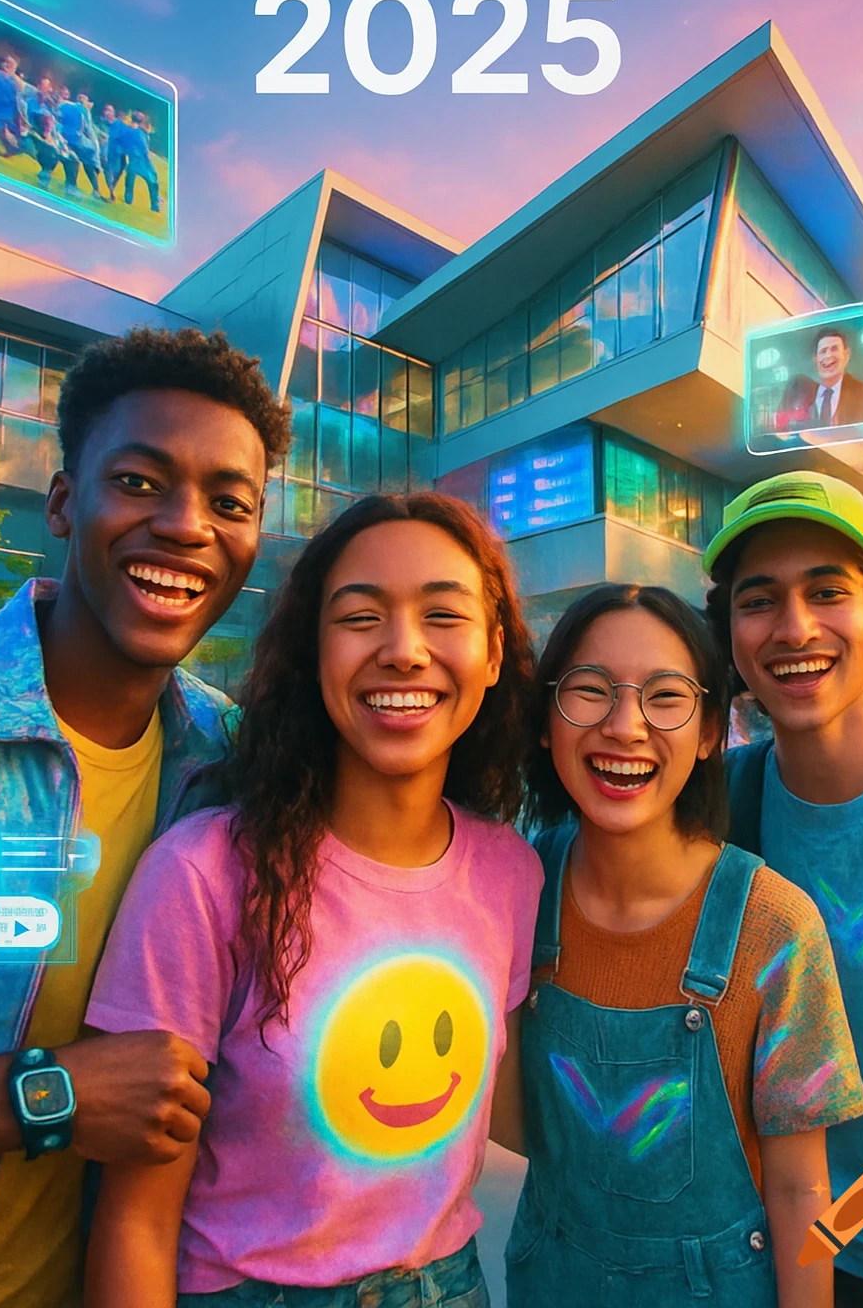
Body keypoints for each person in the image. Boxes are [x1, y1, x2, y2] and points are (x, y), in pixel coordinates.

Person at [83, 491, 543, 1308]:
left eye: (444, 616)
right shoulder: (203, 874)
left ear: (494, 649)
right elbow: (135, 1225)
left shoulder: (511, 871)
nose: (404, 652)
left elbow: (517, 1117)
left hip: (449, 1285)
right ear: (314, 649)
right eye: (361, 617)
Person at [0, 327, 291, 1308]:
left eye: (230, 503)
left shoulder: (234, 766)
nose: (185, 525)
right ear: (61, 503)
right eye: (138, 482)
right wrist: (49, 1097)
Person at [501, 583, 863, 1308]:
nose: (625, 726)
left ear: (708, 734)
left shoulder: (776, 926)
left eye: (665, 697)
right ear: (546, 719)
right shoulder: (514, 888)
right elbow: (511, 1134)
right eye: (589, 690)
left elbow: (803, 1188)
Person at [705, 471, 863, 1307]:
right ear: (730, 638)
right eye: (759, 599)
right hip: (780, 1257)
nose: (794, 627)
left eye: (828, 591)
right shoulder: (720, 806)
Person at [776, 329, 863, 433]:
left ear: (846, 356)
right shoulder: (802, 396)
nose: (828, 356)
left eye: (834, 349)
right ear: (816, 360)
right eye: (823, 351)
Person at [57, 88, 105, 199]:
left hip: (74, 140)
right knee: (79, 163)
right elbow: (87, 128)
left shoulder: (73, 107)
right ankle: (73, 187)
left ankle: (92, 190)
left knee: (81, 163)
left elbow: (89, 127)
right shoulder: (79, 109)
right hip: (77, 141)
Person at [0, 55, 29, 157]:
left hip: (9, 112)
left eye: (11, 64)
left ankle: (12, 147)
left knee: (14, 129)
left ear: (15, 67)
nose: (7, 65)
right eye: (6, 62)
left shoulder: (15, 80)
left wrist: (12, 74)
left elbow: (21, 88)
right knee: (2, 127)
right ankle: (11, 146)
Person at [30, 109, 81, 194]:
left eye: (51, 122)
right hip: (44, 154)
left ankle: (70, 187)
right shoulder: (36, 132)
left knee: (73, 158)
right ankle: (43, 180)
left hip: (58, 153)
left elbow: (63, 143)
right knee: (52, 152)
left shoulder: (56, 134)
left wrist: (65, 148)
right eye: (48, 121)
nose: (50, 124)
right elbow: (41, 143)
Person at [121, 110, 161, 213]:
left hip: (132, 158)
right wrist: (148, 158)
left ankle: (128, 200)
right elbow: (144, 147)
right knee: (152, 180)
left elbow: (125, 143)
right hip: (141, 160)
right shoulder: (139, 133)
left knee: (130, 179)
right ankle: (155, 205)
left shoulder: (128, 130)